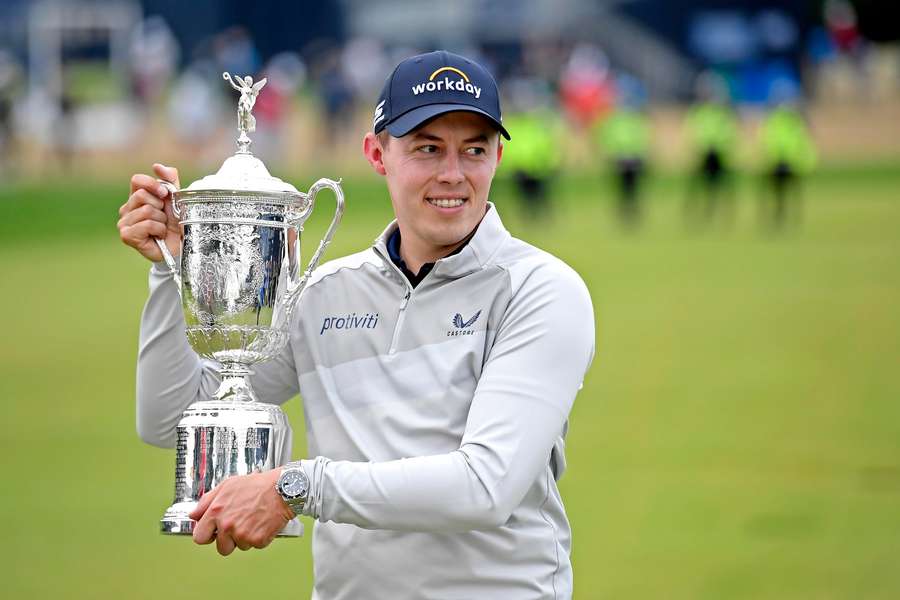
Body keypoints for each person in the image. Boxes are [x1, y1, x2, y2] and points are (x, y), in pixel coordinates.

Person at [118, 50, 595, 599]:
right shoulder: (322, 293)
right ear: (377, 153)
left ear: (498, 157)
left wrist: (294, 488)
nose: (453, 174)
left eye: (474, 150)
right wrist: (171, 270)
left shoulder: (540, 289)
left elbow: (486, 485)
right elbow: (169, 421)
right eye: (427, 148)